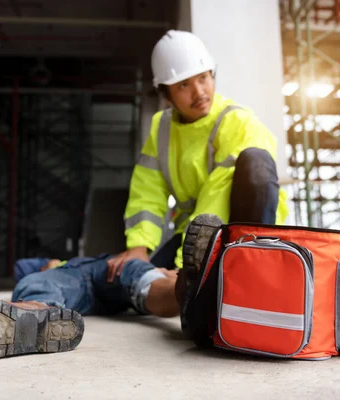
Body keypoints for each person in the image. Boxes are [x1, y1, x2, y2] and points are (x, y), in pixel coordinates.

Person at [105, 30, 289, 334]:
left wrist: (187, 267)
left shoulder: (236, 121)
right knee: (134, 279)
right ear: (166, 94)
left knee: (255, 161)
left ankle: (252, 276)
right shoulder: (161, 128)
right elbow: (147, 190)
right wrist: (139, 246)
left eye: (204, 78)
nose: (199, 91)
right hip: (194, 229)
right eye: (184, 85)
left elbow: (218, 195)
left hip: (244, 227)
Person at [0, 254, 179, 359]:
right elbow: (24, 267)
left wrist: (165, 272)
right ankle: (34, 312)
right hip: (77, 283)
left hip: (108, 271)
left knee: (137, 273)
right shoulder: (53, 268)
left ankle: (185, 292)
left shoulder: (108, 259)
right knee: (42, 282)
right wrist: (50, 264)